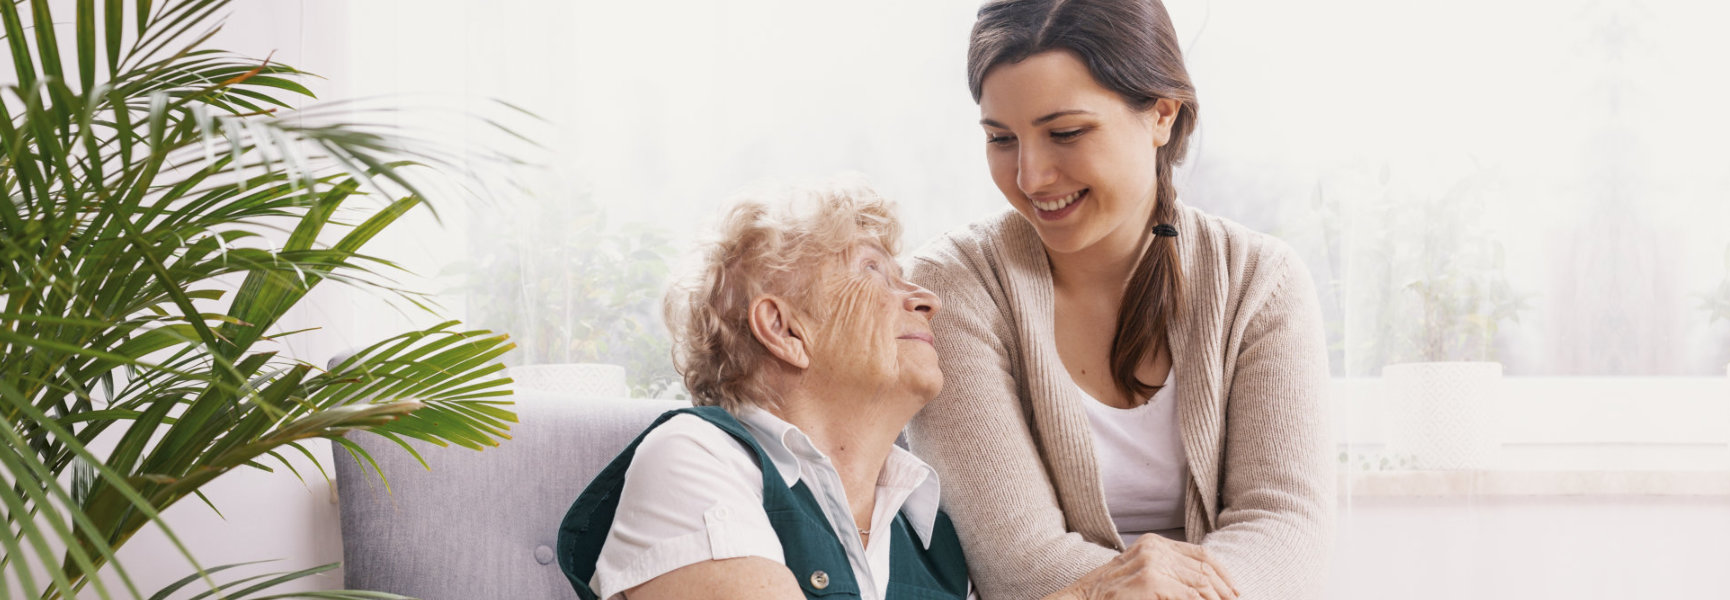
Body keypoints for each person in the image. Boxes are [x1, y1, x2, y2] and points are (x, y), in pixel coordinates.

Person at [904, 0, 1334, 598]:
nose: (1030, 178)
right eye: (1002, 139)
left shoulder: (1261, 280)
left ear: (1161, 114)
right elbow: (1014, 559)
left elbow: (1286, 529)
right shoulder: (951, 289)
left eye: (1066, 133)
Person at [557, 180, 972, 600]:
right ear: (783, 329)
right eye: (871, 269)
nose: (927, 300)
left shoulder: (937, 537)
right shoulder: (694, 454)